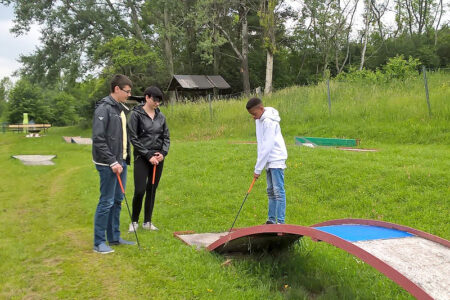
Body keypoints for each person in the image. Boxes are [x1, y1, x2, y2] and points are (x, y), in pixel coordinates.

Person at [92, 74, 136, 254]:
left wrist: (122, 160)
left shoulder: (120, 109)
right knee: (106, 201)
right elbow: (98, 139)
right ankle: (99, 242)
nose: (129, 95)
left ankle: (114, 237)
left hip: (121, 162)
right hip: (107, 164)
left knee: (117, 201)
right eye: (127, 91)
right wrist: (112, 161)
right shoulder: (103, 109)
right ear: (117, 89)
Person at [127, 86, 170, 232]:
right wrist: (147, 155)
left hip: (158, 158)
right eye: (155, 100)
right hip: (142, 156)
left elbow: (166, 137)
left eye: (159, 101)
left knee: (152, 190)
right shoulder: (136, 115)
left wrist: (163, 153)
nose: (157, 103)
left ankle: (147, 222)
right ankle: (134, 221)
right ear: (147, 97)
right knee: (140, 190)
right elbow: (133, 138)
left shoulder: (161, 116)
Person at [246, 97, 288, 224]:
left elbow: (267, 146)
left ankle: (280, 222)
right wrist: (260, 165)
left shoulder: (269, 122)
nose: (254, 117)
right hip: (269, 160)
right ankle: (271, 220)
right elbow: (261, 144)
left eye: (254, 114)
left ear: (261, 109)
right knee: (270, 191)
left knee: (278, 191)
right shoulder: (260, 120)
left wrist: (257, 169)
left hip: (276, 158)